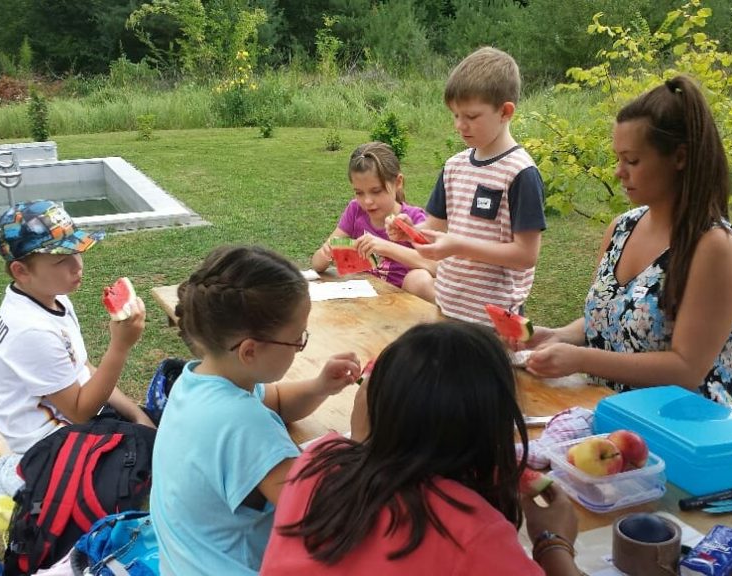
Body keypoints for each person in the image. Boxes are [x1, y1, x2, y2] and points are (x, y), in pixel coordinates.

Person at [259, 321, 581, 576]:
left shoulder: (316, 461)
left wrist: (368, 431)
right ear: (491, 427)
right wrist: (553, 544)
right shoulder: (475, 534)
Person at [516, 75, 732, 413]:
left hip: (687, 435)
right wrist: (555, 337)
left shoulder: (716, 248)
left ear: (680, 158)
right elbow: (614, 315)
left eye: (633, 161)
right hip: (616, 416)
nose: (618, 172)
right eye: (618, 158)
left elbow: (686, 369)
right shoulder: (622, 228)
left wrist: (581, 359)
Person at [151, 245, 361, 576]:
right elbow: (325, 516)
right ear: (249, 351)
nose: (299, 346)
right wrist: (364, 436)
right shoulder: (243, 424)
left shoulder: (198, 381)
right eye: (297, 340)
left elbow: (276, 400)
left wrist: (321, 386)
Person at [388, 47, 547, 325]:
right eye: (455, 115)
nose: (460, 125)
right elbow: (433, 229)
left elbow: (525, 255)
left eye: (471, 116)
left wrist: (458, 246)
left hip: (493, 321)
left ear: (505, 111)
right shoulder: (453, 166)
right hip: (447, 304)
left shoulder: (521, 173)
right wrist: (409, 232)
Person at [0, 200, 153, 455]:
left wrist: (139, 417)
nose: (78, 265)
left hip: (70, 423)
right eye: (61, 260)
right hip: (47, 450)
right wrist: (120, 347)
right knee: (166, 458)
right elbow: (80, 412)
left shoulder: (53, 298)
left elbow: (82, 369)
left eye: (76, 252)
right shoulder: (31, 330)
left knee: (161, 430)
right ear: (21, 271)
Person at [311, 141, 436, 302]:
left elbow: (437, 267)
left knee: (418, 278)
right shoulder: (355, 210)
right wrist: (325, 254)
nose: (367, 201)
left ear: (398, 182)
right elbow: (317, 263)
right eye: (359, 193)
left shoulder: (414, 219)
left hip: (405, 304)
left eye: (376, 191)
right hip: (364, 301)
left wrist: (385, 247)